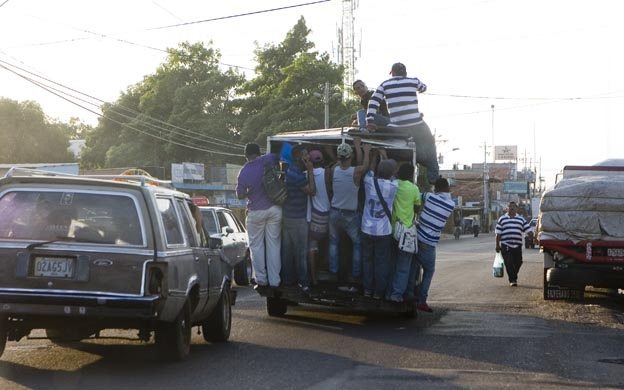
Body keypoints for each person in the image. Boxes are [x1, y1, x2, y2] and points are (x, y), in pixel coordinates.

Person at [366, 62, 439, 185]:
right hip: (416, 124)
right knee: (430, 147)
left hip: (396, 126)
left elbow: (373, 101)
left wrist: (370, 120)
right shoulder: (413, 81)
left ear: (392, 73)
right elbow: (423, 88)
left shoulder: (385, 84)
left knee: (386, 131)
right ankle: (433, 179)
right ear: (405, 73)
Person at [326, 138, 370, 290]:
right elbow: (365, 165)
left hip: (334, 212)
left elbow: (341, 164)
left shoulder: (333, 170)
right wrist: (364, 149)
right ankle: (355, 275)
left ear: (338, 158)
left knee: (333, 243)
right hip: (350, 214)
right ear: (350, 157)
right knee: (357, 244)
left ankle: (333, 272)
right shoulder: (356, 172)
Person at [236, 143, 282, 288]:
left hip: (256, 212)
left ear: (246, 155)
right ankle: (275, 281)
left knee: (257, 247)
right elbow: (281, 154)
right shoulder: (268, 160)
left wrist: (249, 192)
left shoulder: (243, 171)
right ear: (259, 152)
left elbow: (240, 195)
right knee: (274, 245)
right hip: (275, 209)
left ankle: (261, 279)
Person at [410, 177, 454, 312]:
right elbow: (445, 196)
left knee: (413, 267)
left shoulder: (429, 197)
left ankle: (410, 294)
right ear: (447, 189)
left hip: (416, 238)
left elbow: (417, 195)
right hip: (429, 243)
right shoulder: (450, 204)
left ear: (436, 189)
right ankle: (422, 301)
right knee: (429, 271)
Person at [361, 150, 398, 299]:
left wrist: (375, 157)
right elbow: (393, 175)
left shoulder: (369, 181)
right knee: (381, 263)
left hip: (366, 229)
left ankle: (367, 290)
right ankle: (378, 292)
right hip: (383, 232)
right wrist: (385, 156)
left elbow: (370, 170)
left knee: (367, 261)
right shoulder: (394, 186)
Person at [281, 144, 316, 291]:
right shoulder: (297, 174)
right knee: (301, 252)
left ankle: (289, 280)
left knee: (288, 252)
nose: (308, 157)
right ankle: (303, 282)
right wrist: (310, 171)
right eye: (306, 154)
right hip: (298, 219)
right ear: (299, 157)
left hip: (288, 216)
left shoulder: (290, 170)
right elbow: (312, 191)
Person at [387, 163, 422, 302]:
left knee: (391, 264)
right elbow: (417, 208)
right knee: (403, 267)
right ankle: (396, 295)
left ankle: (387, 293)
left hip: (392, 230)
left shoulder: (393, 184)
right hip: (406, 233)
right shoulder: (414, 189)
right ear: (411, 175)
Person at [307, 149, 330, 286]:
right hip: (329, 215)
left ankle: (314, 278)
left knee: (312, 248)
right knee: (331, 245)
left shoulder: (306, 175)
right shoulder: (329, 174)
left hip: (315, 216)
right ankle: (329, 272)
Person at [495, 201, 532, 287]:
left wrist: (532, 236)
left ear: (516, 208)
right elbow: (498, 233)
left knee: (519, 262)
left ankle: (513, 275)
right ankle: (513, 280)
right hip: (506, 245)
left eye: (513, 207)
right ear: (507, 208)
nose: (511, 208)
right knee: (509, 262)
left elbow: (528, 230)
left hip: (517, 245)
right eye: (510, 206)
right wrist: (497, 245)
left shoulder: (521, 219)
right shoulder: (502, 219)